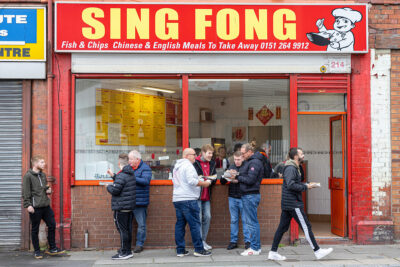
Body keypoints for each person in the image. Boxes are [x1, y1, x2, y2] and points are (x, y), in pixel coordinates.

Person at [268, 148, 333, 261]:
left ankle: (273, 252)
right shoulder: (290, 168)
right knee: (306, 226)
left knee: (282, 228)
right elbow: (291, 185)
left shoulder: (294, 167)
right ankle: (317, 251)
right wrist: (306, 186)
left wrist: (307, 184)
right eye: (301, 154)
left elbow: (296, 182)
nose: (303, 155)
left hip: (289, 203)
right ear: (295, 156)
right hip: (293, 203)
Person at [22, 155, 65, 259]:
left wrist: (48, 190)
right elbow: (25, 192)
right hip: (35, 207)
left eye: (44, 162)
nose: (44, 164)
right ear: (35, 164)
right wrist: (28, 205)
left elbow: (45, 187)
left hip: (45, 205)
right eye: (41, 162)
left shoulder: (43, 175)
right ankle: (37, 251)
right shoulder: (28, 176)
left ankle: (52, 248)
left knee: (52, 224)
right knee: (35, 229)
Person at [172, 148, 212, 257]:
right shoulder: (188, 165)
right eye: (193, 154)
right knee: (195, 225)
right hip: (188, 198)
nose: (195, 156)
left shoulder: (177, 166)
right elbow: (191, 181)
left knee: (180, 225)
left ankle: (180, 250)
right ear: (186, 156)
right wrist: (205, 183)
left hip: (177, 198)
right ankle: (199, 249)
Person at [105, 153, 136, 260]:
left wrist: (108, 186)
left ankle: (123, 253)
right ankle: (128, 251)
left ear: (119, 163)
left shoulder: (122, 175)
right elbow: (121, 182)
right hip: (129, 207)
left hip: (121, 208)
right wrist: (113, 175)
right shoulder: (130, 174)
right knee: (127, 230)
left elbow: (116, 190)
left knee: (123, 230)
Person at [237, 143, 265, 256]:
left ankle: (254, 248)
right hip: (248, 195)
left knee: (251, 223)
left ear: (250, 152)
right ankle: (256, 247)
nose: (242, 155)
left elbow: (250, 180)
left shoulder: (255, 162)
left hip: (250, 195)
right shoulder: (250, 161)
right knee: (251, 222)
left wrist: (237, 177)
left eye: (243, 153)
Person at [220, 151, 251, 250]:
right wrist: (226, 176)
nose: (237, 161)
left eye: (239, 159)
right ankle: (233, 241)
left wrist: (238, 178)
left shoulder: (247, 166)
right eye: (235, 159)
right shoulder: (231, 167)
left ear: (243, 158)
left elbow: (250, 180)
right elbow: (222, 182)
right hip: (232, 197)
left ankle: (248, 242)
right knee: (234, 220)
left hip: (243, 197)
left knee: (245, 220)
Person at [193, 144, 217, 251]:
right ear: (203, 153)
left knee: (207, 217)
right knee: (198, 218)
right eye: (209, 153)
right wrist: (204, 179)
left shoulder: (212, 163)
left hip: (207, 195)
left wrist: (211, 180)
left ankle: (203, 240)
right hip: (197, 195)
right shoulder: (195, 163)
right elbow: (194, 178)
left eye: (212, 153)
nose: (211, 155)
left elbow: (215, 177)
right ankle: (199, 243)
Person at [129, 150, 152, 253]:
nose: (129, 161)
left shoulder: (145, 168)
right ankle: (127, 244)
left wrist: (132, 177)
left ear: (137, 159)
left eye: (131, 159)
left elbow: (145, 181)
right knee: (127, 224)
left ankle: (139, 244)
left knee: (141, 225)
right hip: (129, 200)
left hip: (140, 202)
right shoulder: (129, 168)